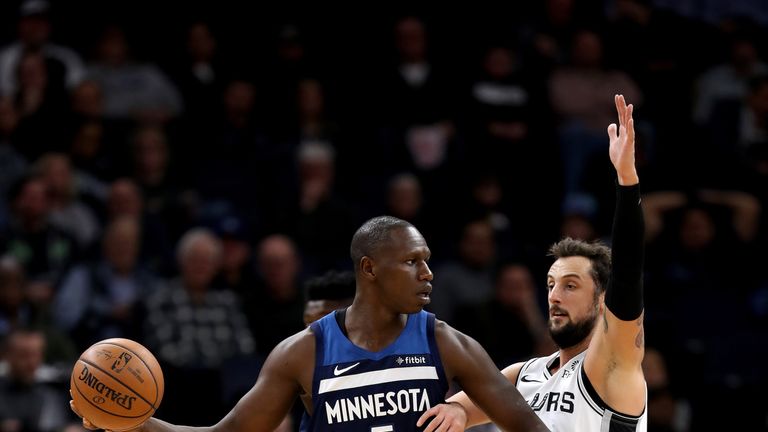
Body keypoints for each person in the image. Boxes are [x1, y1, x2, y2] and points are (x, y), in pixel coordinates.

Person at [71, 216, 549, 431]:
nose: (428, 274)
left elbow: (528, 427)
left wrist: (463, 412)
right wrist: (134, 422)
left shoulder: (447, 343)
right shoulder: (301, 352)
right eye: (412, 262)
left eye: (427, 261)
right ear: (370, 269)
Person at [420, 94, 647, 431]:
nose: (555, 296)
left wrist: (627, 179)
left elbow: (627, 272)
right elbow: (466, 404)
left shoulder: (612, 365)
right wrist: (458, 411)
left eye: (571, 285)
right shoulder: (525, 374)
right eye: (552, 285)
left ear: (602, 300)